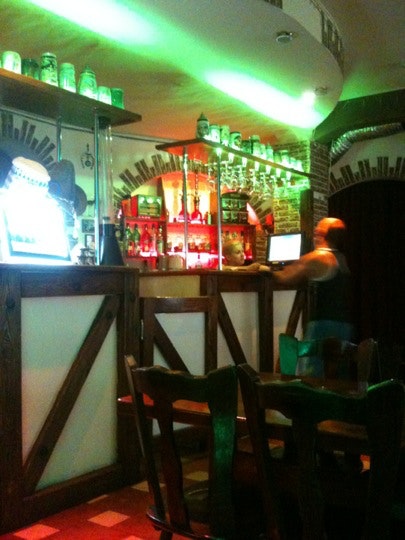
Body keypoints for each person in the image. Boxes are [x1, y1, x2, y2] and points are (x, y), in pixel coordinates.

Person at [271, 217, 353, 377]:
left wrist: (264, 269)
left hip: (323, 325)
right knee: (339, 378)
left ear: (322, 235)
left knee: (313, 376)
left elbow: (285, 277)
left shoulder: (318, 257)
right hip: (344, 325)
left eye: (318, 230)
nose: (315, 233)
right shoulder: (341, 258)